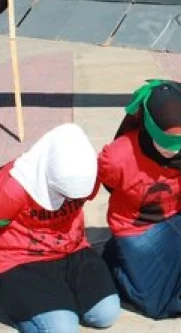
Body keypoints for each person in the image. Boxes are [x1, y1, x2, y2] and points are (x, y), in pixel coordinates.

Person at [99, 80, 181, 320]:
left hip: (178, 214)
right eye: (166, 143)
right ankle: (117, 262)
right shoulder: (117, 155)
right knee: (161, 297)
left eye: (180, 143)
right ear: (148, 127)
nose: (175, 152)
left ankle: (139, 264)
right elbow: (109, 185)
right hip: (135, 225)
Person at [0, 123, 120, 333]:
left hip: (72, 249)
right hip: (21, 258)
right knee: (62, 329)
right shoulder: (12, 187)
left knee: (105, 314)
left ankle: (54, 302)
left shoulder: (88, 174)